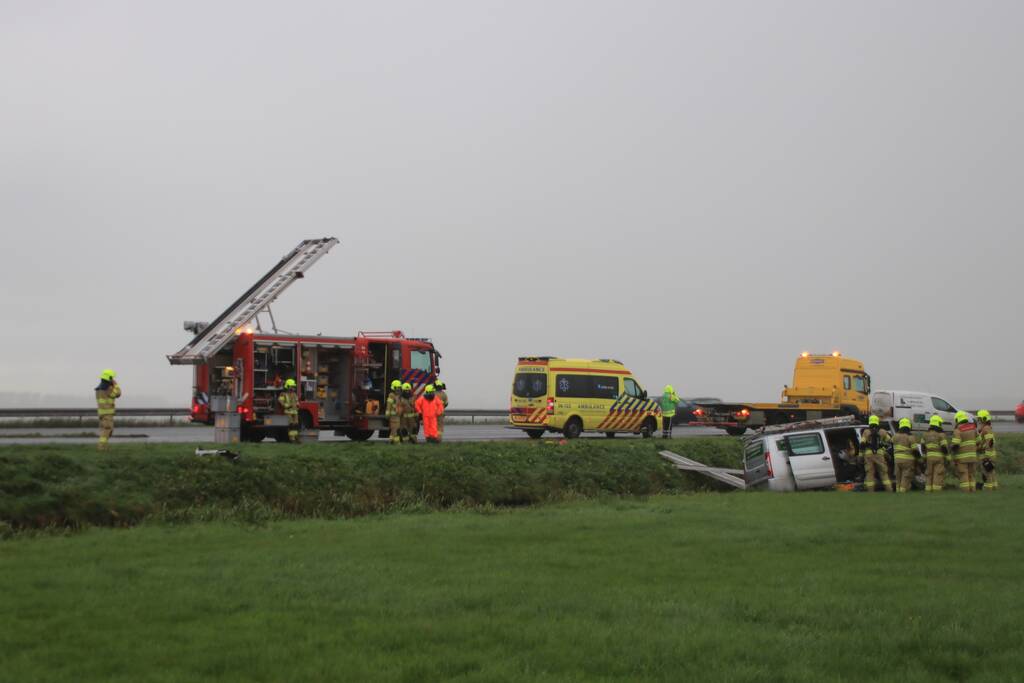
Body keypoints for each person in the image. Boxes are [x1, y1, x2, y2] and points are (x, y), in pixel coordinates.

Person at [859, 415, 893, 492]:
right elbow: (890, 441)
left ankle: (870, 492)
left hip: (868, 455)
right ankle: (889, 490)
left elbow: (862, 444)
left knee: (870, 474)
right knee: (884, 474)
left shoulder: (866, 432)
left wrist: (860, 456)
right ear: (877, 422)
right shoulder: (882, 431)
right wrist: (883, 447)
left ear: (870, 422)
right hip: (879, 454)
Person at [950, 411, 979, 493]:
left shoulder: (958, 430)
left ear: (957, 420)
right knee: (971, 474)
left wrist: (951, 448)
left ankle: (966, 491)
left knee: (963, 474)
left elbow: (956, 444)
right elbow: (979, 441)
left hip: (962, 458)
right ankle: (973, 490)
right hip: (973, 456)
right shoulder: (973, 428)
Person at [921, 415, 949, 492]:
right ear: (938, 423)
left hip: (929, 457)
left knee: (929, 473)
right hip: (939, 457)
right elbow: (944, 447)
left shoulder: (925, 434)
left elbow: (923, 446)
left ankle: (928, 489)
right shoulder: (941, 435)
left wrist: (924, 456)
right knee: (938, 473)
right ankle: (936, 490)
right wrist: (947, 456)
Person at [95, 368, 121, 451]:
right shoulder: (108, 388)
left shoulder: (99, 389)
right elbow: (118, 393)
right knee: (107, 430)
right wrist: (116, 385)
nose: (113, 379)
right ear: (109, 378)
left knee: (106, 430)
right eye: (112, 378)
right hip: (107, 413)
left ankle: (104, 446)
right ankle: (101, 447)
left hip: (101, 413)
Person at [891, 418, 919, 493]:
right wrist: (919, 458)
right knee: (905, 477)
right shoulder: (910, 437)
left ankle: (898, 491)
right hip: (908, 460)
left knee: (898, 477)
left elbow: (891, 443)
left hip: (897, 460)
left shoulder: (895, 436)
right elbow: (915, 450)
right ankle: (903, 491)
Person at [976, 410, 998, 491]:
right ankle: (994, 487)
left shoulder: (986, 428)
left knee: (986, 472)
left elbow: (989, 442)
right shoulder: (986, 428)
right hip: (990, 454)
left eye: (979, 419)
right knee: (991, 471)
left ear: (984, 419)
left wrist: (987, 456)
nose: (978, 421)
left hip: (987, 454)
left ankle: (988, 488)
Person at [278, 378, 300, 443]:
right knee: (291, 425)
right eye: (292, 386)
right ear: (288, 386)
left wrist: (297, 404)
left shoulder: (294, 394)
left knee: (296, 425)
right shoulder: (283, 394)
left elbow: (297, 401)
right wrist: (287, 405)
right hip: (288, 411)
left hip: (295, 412)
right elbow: (280, 401)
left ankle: (296, 438)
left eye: (293, 386)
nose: (293, 388)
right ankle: (292, 439)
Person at [385, 379, 402, 444]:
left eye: (399, 388)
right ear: (393, 388)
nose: (398, 390)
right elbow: (388, 406)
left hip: (397, 415)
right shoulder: (391, 396)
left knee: (394, 429)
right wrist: (387, 414)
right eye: (397, 388)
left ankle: (390, 441)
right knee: (395, 429)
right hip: (393, 416)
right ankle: (397, 442)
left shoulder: (397, 396)